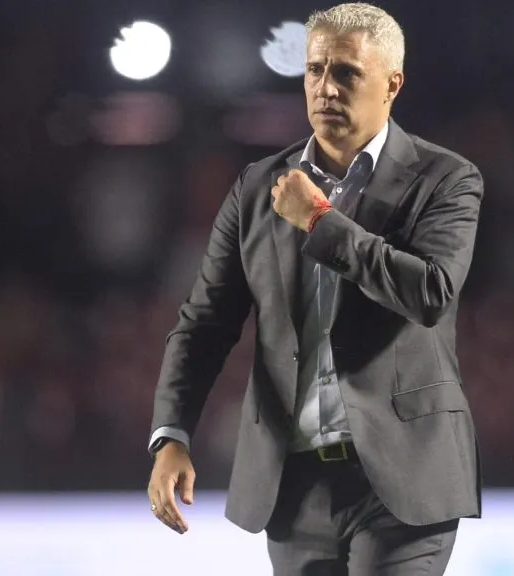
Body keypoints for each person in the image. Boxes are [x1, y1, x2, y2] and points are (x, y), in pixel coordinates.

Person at [147, 3, 484, 574]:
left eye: (346, 72)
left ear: (392, 84)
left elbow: (429, 292)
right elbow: (205, 322)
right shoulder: (257, 189)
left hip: (403, 482)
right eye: (314, 71)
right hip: (294, 485)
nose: (326, 88)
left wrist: (321, 222)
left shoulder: (445, 179)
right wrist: (171, 434)